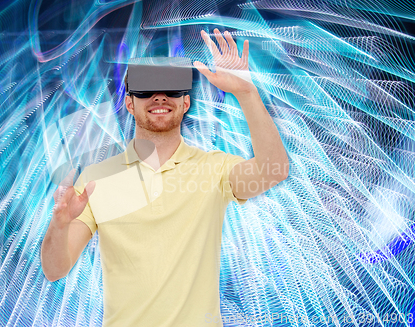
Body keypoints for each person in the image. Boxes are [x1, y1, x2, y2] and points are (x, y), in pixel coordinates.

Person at [41, 29, 289, 326]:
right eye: (145, 90)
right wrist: (59, 224)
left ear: (186, 103)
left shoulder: (215, 169)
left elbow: (274, 170)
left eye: (172, 90)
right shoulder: (97, 181)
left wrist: (246, 92)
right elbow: (55, 270)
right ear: (130, 104)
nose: (159, 97)